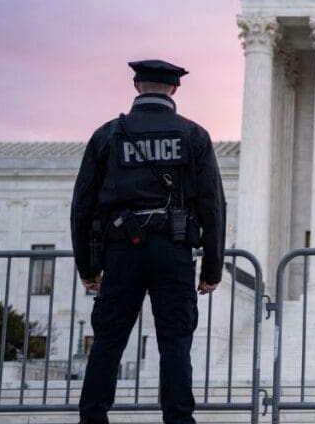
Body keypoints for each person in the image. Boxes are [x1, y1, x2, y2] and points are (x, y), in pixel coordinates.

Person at [70, 60, 226, 424]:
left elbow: (82, 206)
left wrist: (88, 267)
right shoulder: (193, 135)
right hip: (173, 249)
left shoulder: (108, 135)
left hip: (121, 250)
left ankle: (92, 418)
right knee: (175, 343)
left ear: (137, 86)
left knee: (108, 341)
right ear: (174, 89)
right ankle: (179, 419)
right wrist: (212, 268)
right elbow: (212, 206)